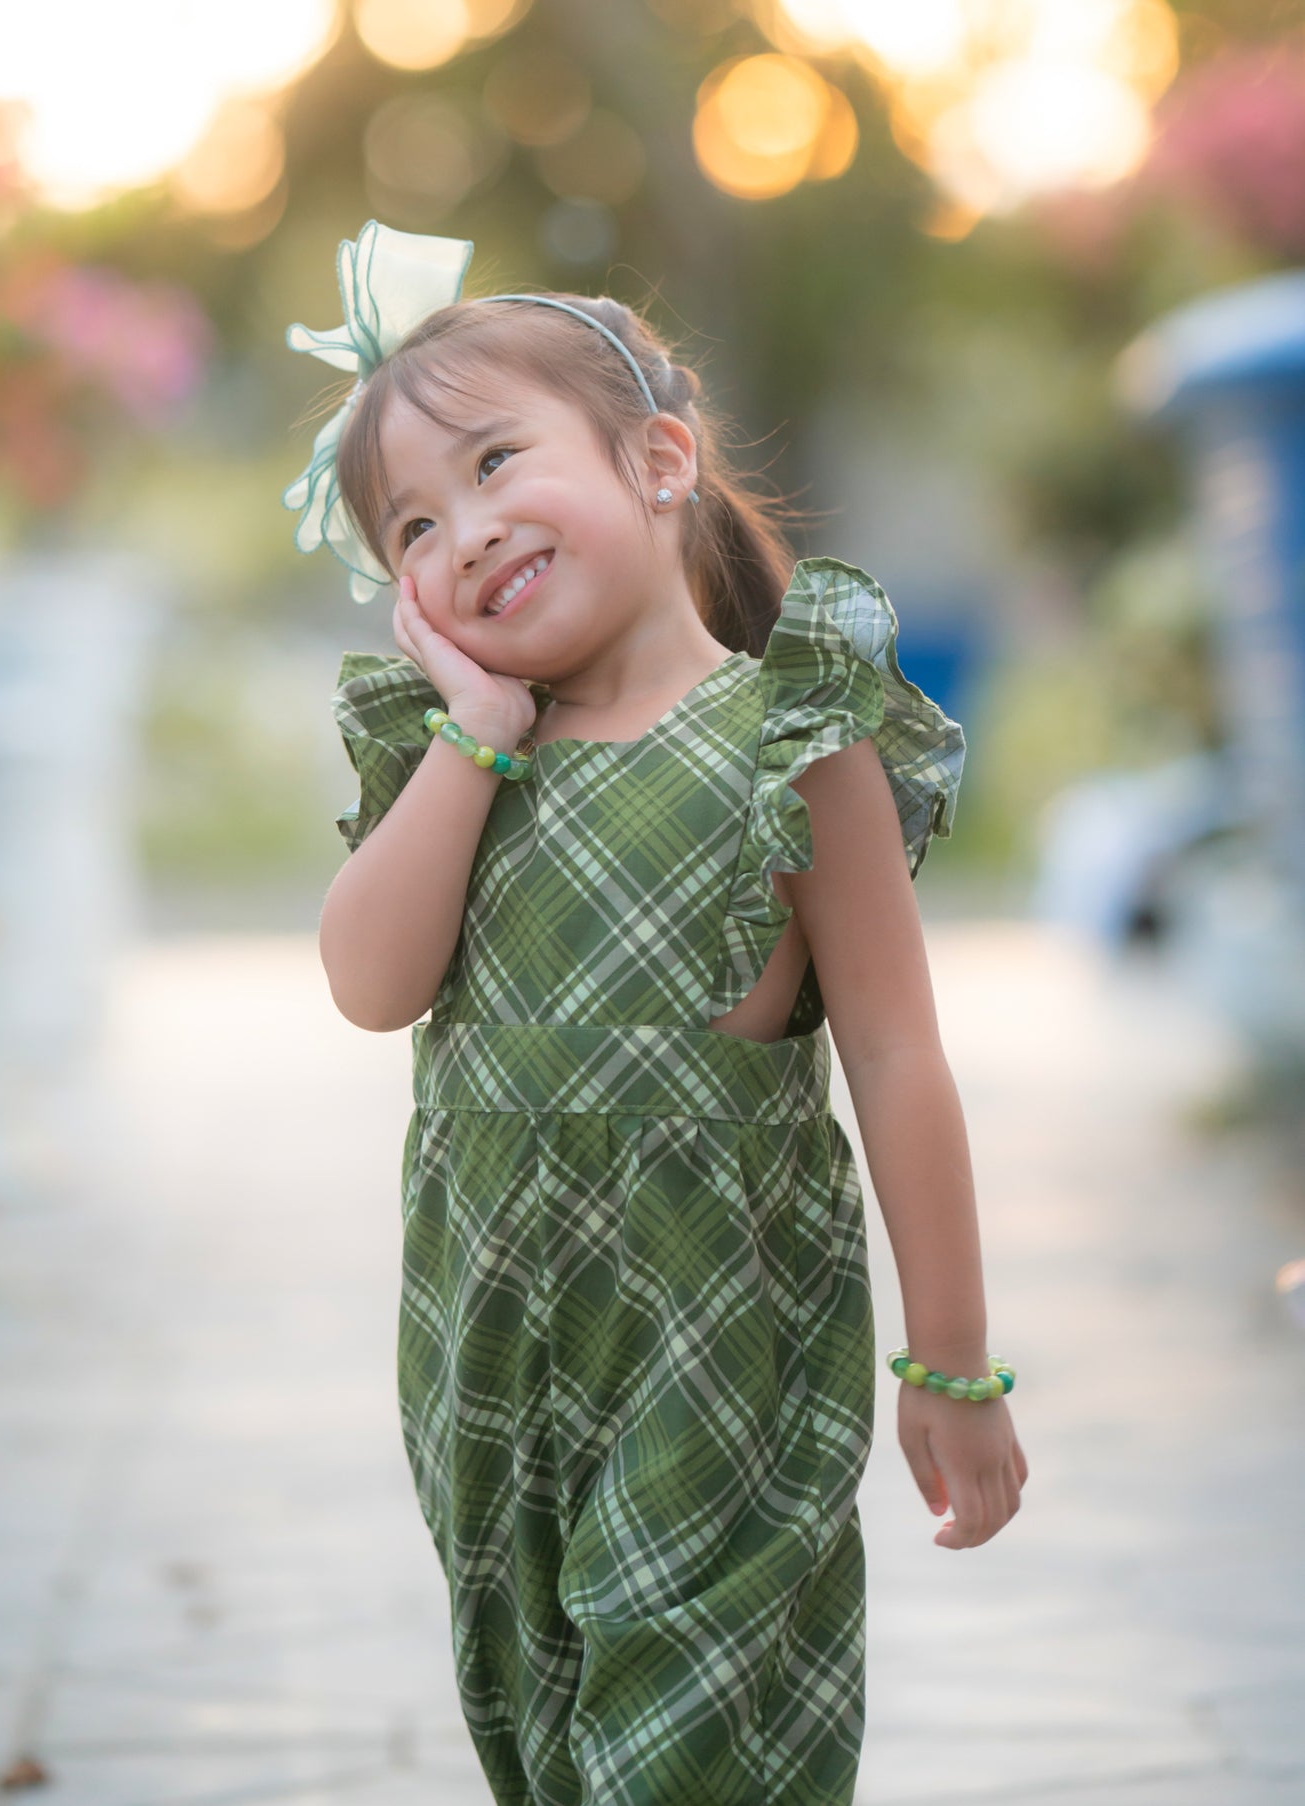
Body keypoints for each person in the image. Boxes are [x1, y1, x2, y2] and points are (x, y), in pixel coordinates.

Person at [289, 221, 1028, 1806]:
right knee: (538, 1730)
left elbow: (897, 1054)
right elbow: (367, 983)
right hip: (479, 1349)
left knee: (685, 1745)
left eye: (495, 463)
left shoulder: (789, 730)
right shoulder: (459, 760)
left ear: (659, 459)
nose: (464, 531)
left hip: (718, 1340)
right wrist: (472, 736)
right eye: (412, 522)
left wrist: (949, 1358)